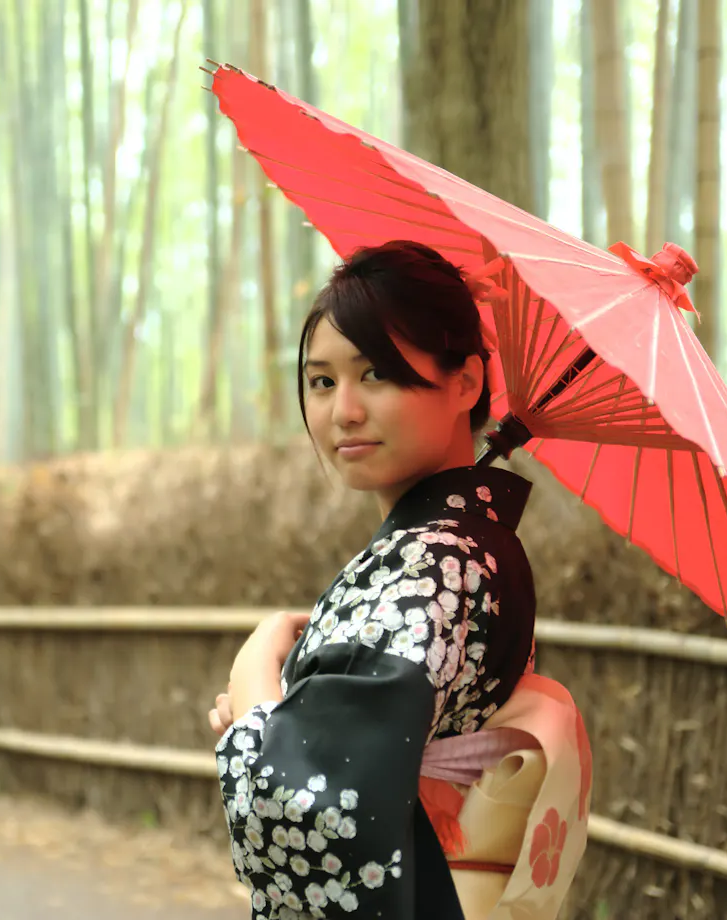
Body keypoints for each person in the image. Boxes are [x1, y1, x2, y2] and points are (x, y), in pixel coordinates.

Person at [208, 241, 589, 920]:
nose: (342, 411)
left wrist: (255, 674)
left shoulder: (434, 561)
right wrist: (277, 713)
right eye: (321, 381)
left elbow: (307, 810)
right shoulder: (465, 548)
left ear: (467, 384)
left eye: (376, 374)